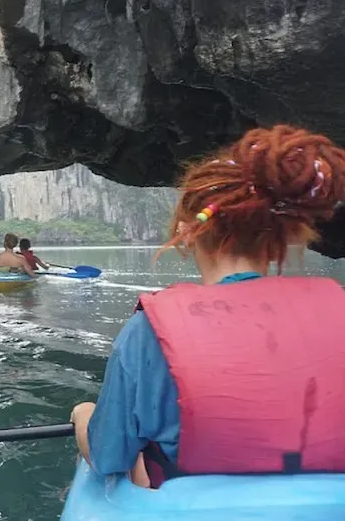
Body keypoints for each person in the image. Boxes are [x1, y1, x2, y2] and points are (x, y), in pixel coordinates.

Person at [70, 124, 345, 489]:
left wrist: (82, 414)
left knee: (124, 454)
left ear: (188, 230)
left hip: (194, 504)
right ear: (288, 231)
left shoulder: (150, 332)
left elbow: (108, 457)